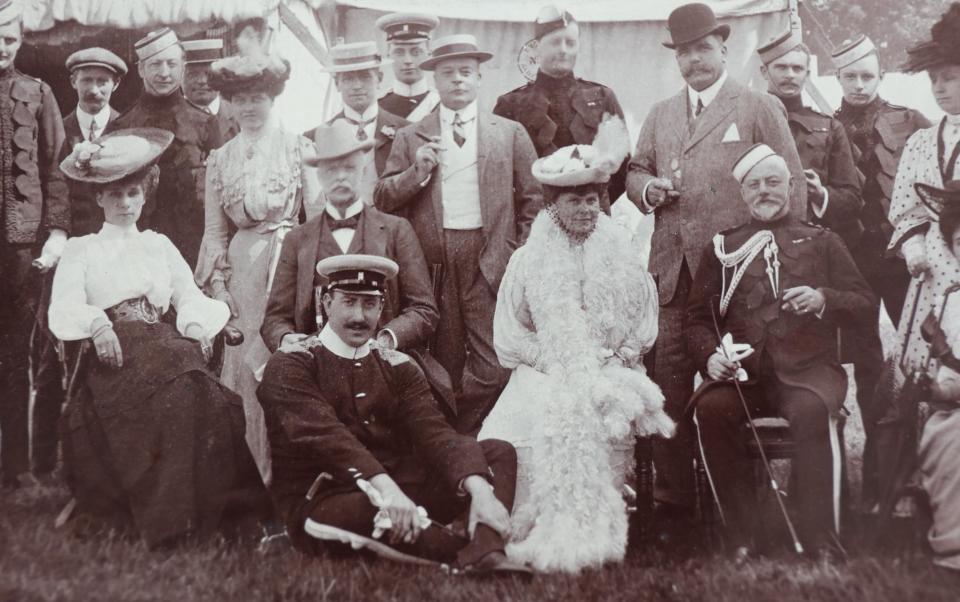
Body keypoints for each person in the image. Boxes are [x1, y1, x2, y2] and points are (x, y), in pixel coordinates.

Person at [625, 2, 805, 517]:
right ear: (676, 59)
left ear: (724, 48)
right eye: (685, 51)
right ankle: (676, 503)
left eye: (704, 48)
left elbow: (790, 184)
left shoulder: (755, 106)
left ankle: (744, 505)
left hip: (741, 275)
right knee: (670, 387)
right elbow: (635, 170)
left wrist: (787, 265)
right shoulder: (660, 113)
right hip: (673, 277)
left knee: (739, 384)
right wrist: (647, 189)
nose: (695, 59)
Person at [49, 128, 270, 546]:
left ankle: (232, 516)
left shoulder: (158, 244)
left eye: (133, 193)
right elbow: (62, 308)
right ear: (98, 198)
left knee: (209, 394)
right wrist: (97, 325)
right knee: (186, 386)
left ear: (144, 195)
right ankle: (172, 526)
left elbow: (187, 294)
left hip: (161, 344)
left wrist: (200, 328)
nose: (125, 204)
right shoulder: (83, 249)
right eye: (115, 195)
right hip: (112, 354)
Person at [478, 120, 674, 572]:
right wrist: (560, 361)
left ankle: (598, 520)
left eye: (592, 200)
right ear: (552, 205)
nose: (586, 210)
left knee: (606, 403)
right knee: (528, 413)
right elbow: (509, 335)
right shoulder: (528, 260)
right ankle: (527, 523)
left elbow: (644, 322)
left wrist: (615, 357)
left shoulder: (622, 250)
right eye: (574, 201)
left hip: (612, 364)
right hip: (546, 366)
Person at [256, 254, 528, 576]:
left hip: (400, 489)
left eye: (370, 304)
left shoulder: (396, 365)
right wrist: (388, 493)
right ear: (326, 302)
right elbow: (329, 438)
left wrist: (481, 491)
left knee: (496, 451)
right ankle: (477, 550)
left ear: (382, 306)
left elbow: (434, 433)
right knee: (368, 510)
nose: (360, 316)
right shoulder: (292, 363)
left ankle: (474, 544)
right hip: (327, 498)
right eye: (349, 302)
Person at [686, 144, 875, 560]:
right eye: (754, 185)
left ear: (791, 186)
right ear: (743, 194)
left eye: (773, 182)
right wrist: (710, 358)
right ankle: (741, 535)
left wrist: (823, 296)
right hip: (743, 376)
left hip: (807, 372)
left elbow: (864, 301)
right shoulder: (722, 247)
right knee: (711, 411)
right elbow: (697, 318)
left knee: (810, 413)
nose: (764, 191)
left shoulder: (824, 240)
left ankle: (820, 537)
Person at [375, 34, 542, 434]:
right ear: (435, 79)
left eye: (466, 72)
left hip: (490, 257)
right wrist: (418, 172)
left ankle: (475, 434)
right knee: (443, 358)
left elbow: (535, 201)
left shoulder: (509, 133)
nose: (458, 81)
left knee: (495, 360)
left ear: (480, 78)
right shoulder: (411, 135)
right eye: (448, 73)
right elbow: (382, 198)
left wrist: (515, 252)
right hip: (433, 263)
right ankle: (453, 447)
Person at [757, 30, 886, 508]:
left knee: (818, 368)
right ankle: (752, 499)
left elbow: (852, 199)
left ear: (808, 74)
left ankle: (832, 495)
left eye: (798, 68)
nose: (790, 76)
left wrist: (821, 197)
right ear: (763, 71)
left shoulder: (825, 127)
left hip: (812, 258)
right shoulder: (747, 114)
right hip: (754, 257)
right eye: (781, 68)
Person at [194, 53, 319, 483]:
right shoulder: (221, 158)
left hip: (291, 263)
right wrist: (219, 286)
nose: (249, 107)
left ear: (273, 98)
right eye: (240, 98)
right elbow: (214, 232)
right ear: (229, 102)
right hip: (243, 273)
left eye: (259, 97)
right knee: (243, 368)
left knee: (286, 362)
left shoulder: (299, 147)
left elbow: (318, 219)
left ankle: (294, 477)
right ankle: (249, 480)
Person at [261, 121, 439, 362]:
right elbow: (275, 318)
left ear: (363, 170)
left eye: (349, 168)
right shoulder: (298, 239)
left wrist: (388, 338)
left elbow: (424, 309)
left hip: (383, 361)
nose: (341, 177)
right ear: (319, 175)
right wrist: (286, 338)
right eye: (332, 170)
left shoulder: (397, 230)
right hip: (316, 364)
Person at [0, 0, 70, 489]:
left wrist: (59, 231)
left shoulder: (38, 94)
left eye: (6, 39)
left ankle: (16, 468)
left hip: (20, 246)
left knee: (15, 354)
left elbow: (55, 169)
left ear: (20, 41)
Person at [832, 35, 930, 328]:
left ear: (881, 77)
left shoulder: (911, 121)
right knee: (864, 353)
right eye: (850, 76)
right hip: (853, 259)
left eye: (867, 76)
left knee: (918, 339)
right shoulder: (825, 129)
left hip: (903, 255)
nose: (859, 84)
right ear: (838, 77)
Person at [887, 4, 960, 381]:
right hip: (931, 274)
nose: (939, 88)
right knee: (926, 372)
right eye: (934, 79)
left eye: (948, 77)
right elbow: (906, 209)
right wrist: (913, 245)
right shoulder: (920, 141)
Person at [494, 5, 629, 208]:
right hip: (536, 221)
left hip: (593, 217)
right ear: (537, 47)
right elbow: (501, 175)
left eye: (570, 42)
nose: (563, 50)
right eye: (555, 42)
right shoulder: (511, 104)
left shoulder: (602, 97)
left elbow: (622, 167)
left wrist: (593, 204)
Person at [114, 27, 222, 268]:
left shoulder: (205, 123)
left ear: (182, 66)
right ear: (141, 69)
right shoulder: (122, 125)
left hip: (193, 244)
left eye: (172, 64)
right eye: (155, 65)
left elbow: (220, 190)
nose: (164, 73)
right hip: (139, 245)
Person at [912, 187, 960, 574]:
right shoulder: (950, 302)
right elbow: (947, 384)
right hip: (955, 411)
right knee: (949, 437)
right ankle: (954, 548)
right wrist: (932, 387)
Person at [308, 42, 408, 205]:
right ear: (336, 84)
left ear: (379, 78)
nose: (357, 86)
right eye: (347, 79)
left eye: (365, 76)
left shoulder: (406, 131)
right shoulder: (313, 138)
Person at [376, 12, 441, 121]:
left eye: (416, 52)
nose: (408, 60)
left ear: (428, 53)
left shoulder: (440, 104)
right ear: (388, 55)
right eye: (399, 53)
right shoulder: (377, 107)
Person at [182, 38, 239, 144]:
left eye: (209, 74)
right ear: (180, 78)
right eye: (192, 74)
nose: (202, 81)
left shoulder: (238, 114)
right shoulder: (172, 119)